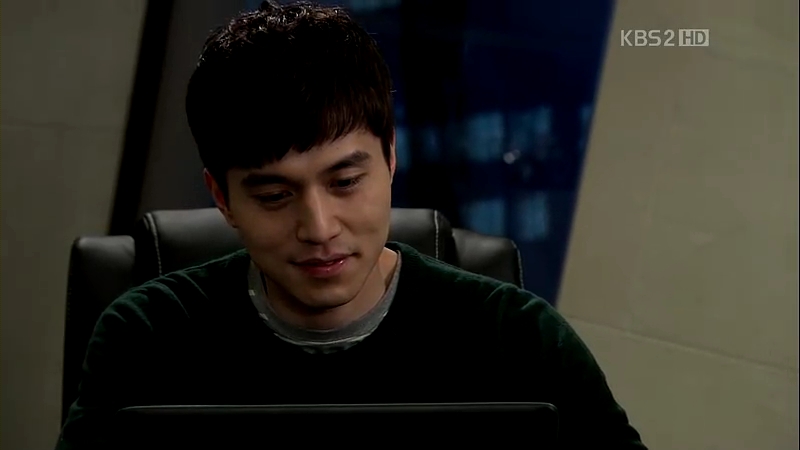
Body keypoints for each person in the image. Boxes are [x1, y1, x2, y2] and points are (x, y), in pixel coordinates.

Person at [56, 1, 646, 448]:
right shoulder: (147, 338)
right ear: (223, 199)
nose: (318, 228)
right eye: (274, 195)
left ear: (390, 159)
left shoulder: (518, 339)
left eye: (344, 182)